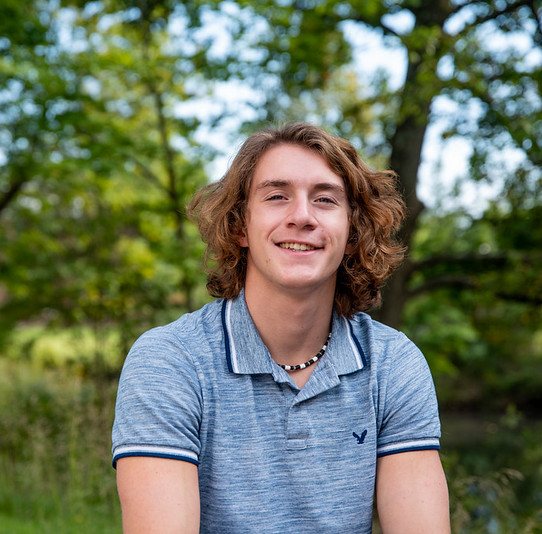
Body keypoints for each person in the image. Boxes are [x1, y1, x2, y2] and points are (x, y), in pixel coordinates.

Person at [111, 122, 450, 533]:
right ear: (240, 227)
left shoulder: (392, 364)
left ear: (351, 232)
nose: (302, 216)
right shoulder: (169, 361)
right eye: (277, 196)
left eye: (325, 199)